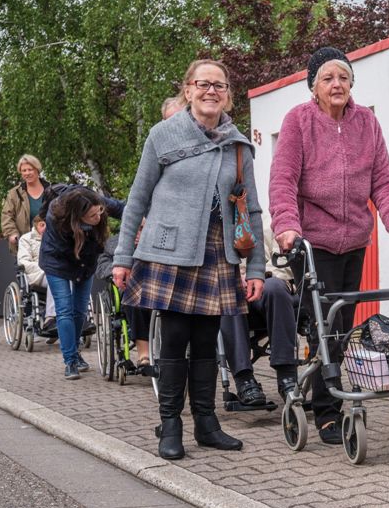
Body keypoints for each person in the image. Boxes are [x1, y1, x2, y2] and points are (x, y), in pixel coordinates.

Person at [112, 59, 264, 458]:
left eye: (219, 85)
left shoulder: (237, 145)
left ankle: (207, 423)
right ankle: (170, 424)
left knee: (205, 343)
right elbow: (137, 199)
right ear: (188, 89)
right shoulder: (163, 135)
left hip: (218, 253)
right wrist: (123, 257)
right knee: (175, 339)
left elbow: (251, 211)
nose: (211, 91)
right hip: (170, 253)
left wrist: (257, 267)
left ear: (228, 93)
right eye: (203, 84)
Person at [270, 46, 389, 445]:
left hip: (353, 240)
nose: (337, 84)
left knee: (341, 325)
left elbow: (384, 181)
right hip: (311, 243)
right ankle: (327, 412)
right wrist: (286, 227)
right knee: (326, 327)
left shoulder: (366, 122)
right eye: (328, 78)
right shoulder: (298, 121)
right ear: (313, 86)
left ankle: (331, 390)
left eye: (343, 77)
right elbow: (283, 181)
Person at [40, 186, 123, 380]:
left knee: (79, 310)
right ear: (78, 217)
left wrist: (143, 219)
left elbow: (123, 208)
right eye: (92, 215)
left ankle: (75, 352)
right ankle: (70, 361)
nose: (98, 217)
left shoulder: (95, 203)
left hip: (86, 261)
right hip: (57, 262)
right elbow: (67, 252)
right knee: (65, 309)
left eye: (99, 211)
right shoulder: (56, 217)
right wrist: (86, 231)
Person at [219, 226, 299, 406]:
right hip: (232, 297)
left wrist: (257, 277)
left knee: (275, 288)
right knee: (230, 292)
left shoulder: (267, 223)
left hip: (266, 292)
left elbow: (283, 263)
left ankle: (287, 375)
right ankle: (244, 379)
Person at [96, 222, 153, 368]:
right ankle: (143, 353)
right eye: (136, 228)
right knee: (134, 298)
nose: (138, 233)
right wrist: (121, 269)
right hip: (129, 291)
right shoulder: (114, 243)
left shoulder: (157, 242)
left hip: (155, 289)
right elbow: (102, 266)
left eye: (142, 228)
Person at [1, 155, 50, 253]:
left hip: (49, 244)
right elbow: (7, 216)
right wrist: (12, 234)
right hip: (24, 246)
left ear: (37, 170)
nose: (27, 173)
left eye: (30, 169)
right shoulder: (14, 193)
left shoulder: (52, 191)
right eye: (24, 170)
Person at [17, 214, 57, 333]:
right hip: (38, 274)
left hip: (57, 271)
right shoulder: (26, 239)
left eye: (48, 225)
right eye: (42, 225)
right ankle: (50, 317)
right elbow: (23, 262)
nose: (45, 228)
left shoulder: (56, 238)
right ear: (36, 225)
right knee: (55, 279)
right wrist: (45, 268)